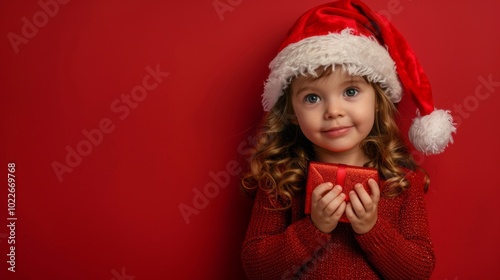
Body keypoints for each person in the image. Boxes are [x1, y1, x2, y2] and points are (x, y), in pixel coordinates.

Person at [240, 0, 456, 279]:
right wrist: (313, 228)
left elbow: (418, 271)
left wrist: (371, 227)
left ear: (378, 102)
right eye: (312, 97)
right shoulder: (280, 180)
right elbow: (256, 268)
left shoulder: (401, 183)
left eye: (351, 92)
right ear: (292, 112)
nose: (333, 111)